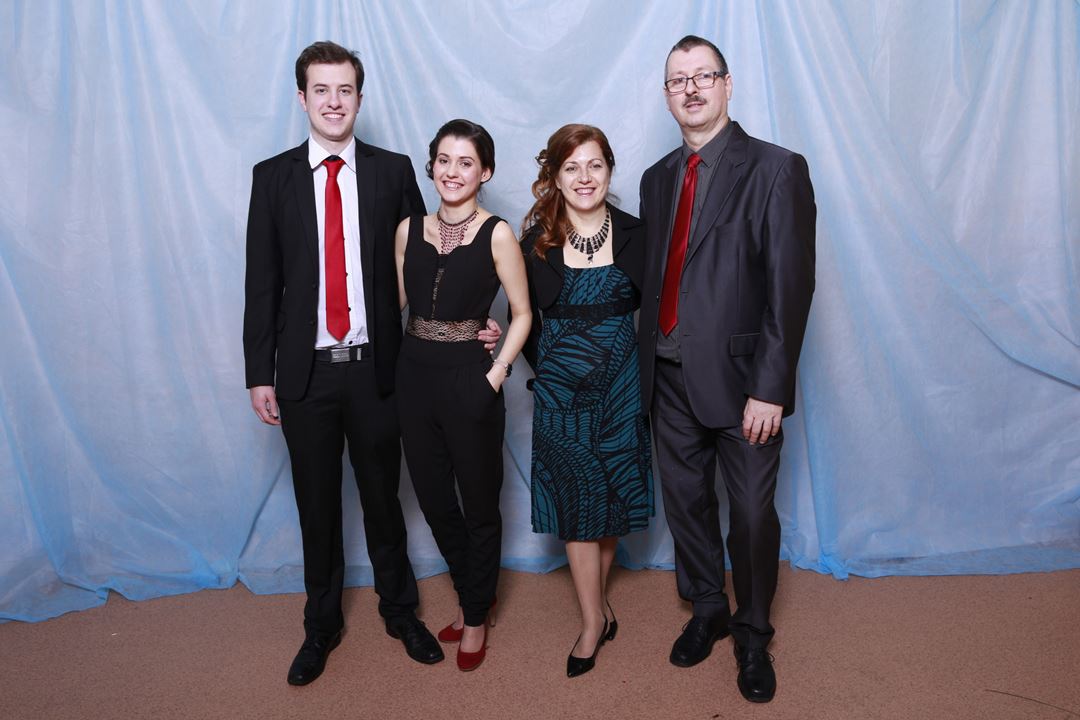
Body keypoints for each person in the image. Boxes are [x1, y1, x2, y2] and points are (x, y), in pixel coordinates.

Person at [243, 42, 499, 685]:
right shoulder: (272, 178)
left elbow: (431, 261)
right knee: (317, 505)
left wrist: (477, 320)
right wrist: (259, 372)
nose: (334, 102)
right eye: (321, 90)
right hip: (304, 373)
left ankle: (400, 611)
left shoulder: (392, 171)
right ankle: (321, 625)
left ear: (360, 98)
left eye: (345, 90)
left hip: (378, 370)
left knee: (384, 499)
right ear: (302, 98)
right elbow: (261, 283)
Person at [638, 36, 816, 703]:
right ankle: (708, 608)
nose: (690, 89)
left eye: (702, 76)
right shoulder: (658, 178)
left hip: (745, 385)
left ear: (727, 84)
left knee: (750, 514)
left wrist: (770, 388)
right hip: (667, 377)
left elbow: (790, 287)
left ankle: (753, 634)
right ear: (667, 95)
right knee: (685, 504)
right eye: (677, 80)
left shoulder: (776, 169)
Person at [394, 119, 531, 672]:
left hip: (469, 380)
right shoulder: (408, 229)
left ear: (485, 172)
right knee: (433, 499)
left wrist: (495, 374)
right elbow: (392, 305)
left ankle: (475, 616)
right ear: (432, 166)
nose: (453, 171)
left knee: (479, 504)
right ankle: (477, 591)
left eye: (466, 162)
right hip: (413, 377)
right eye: (444, 160)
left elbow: (521, 314)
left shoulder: (498, 233)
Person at [519, 124, 654, 678]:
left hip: (621, 389)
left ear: (609, 170)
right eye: (571, 167)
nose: (584, 177)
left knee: (611, 500)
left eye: (594, 165)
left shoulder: (638, 233)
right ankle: (593, 620)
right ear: (554, 176)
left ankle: (598, 603)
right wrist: (550, 373)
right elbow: (521, 317)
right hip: (561, 396)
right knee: (577, 504)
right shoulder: (535, 241)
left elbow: (660, 312)